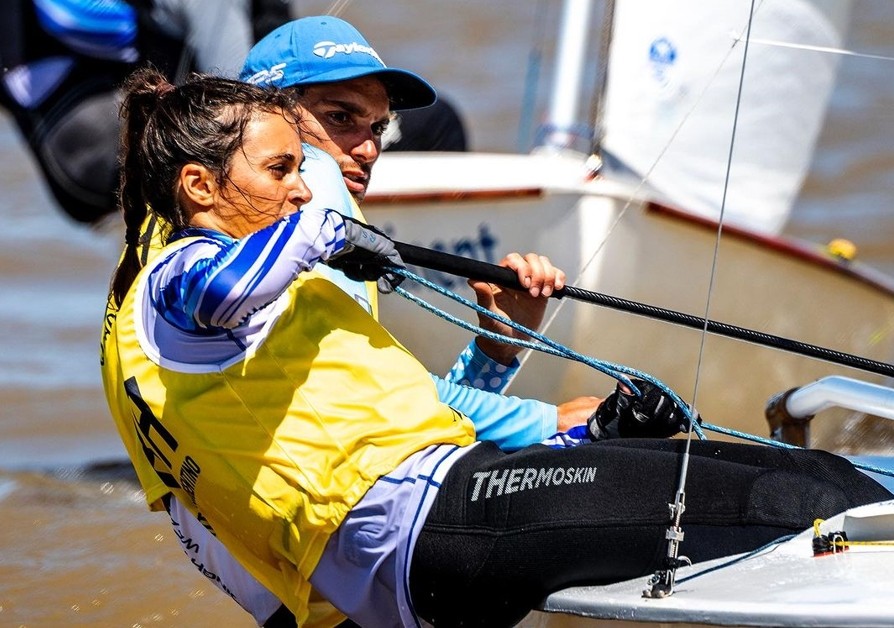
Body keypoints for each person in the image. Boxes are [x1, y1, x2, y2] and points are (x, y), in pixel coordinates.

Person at [101, 68, 892, 628]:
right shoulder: (177, 280)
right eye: (287, 167)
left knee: (788, 475)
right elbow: (214, 296)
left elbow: (399, 416)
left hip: (442, 507)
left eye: (375, 131)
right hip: (420, 532)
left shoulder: (277, 289)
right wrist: (325, 232)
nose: (311, 186)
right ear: (201, 187)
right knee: (785, 501)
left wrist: (571, 422)